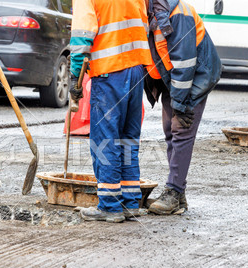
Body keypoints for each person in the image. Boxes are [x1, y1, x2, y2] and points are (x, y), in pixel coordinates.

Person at [70, 0, 153, 223]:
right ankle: (129, 202)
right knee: (127, 139)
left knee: (105, 140)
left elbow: (81, 37)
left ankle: (109, 205)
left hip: (109, 73)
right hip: (136, 70)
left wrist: (74, 77)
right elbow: (143, 28)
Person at [144, 0, 222, 215]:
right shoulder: (150, 11)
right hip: (174, 78)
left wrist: (181, 104)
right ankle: (178, 194)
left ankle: (174, 191)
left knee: (181, 128)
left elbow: (185, 63)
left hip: (196, 77)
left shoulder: (179, 15)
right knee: (170, 129)